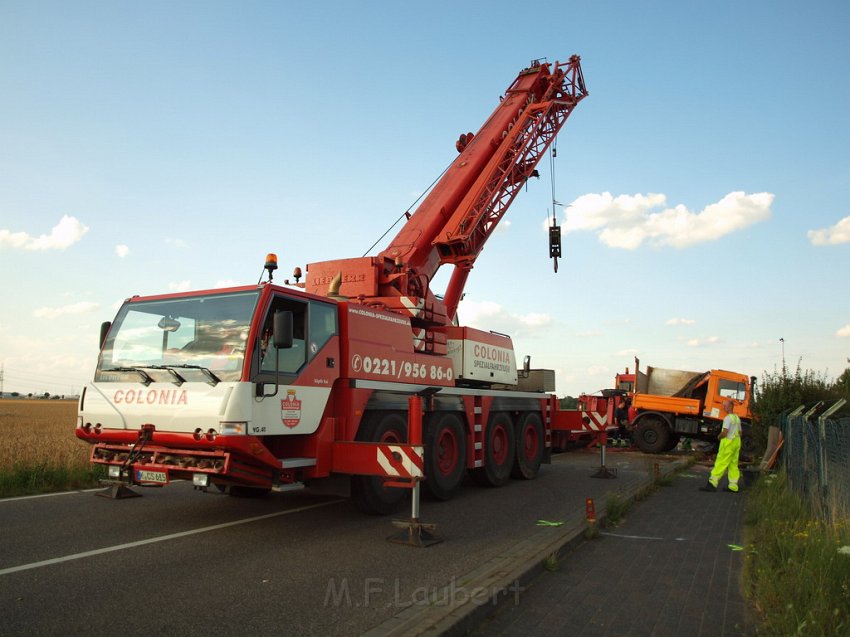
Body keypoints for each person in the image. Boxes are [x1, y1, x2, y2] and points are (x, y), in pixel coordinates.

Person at [700, 399, 742, 492]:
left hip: (728, 444)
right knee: (733, 465)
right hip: (736, 443)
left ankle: (712, 484)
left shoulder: (727, 418)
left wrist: (719, 437)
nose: (723, 407)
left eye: (725, 405)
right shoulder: (737, 418)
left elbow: (725, 432)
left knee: (721, 463)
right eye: (723, 405)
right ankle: (733, 486)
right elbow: (740, 433)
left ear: (731, 406)